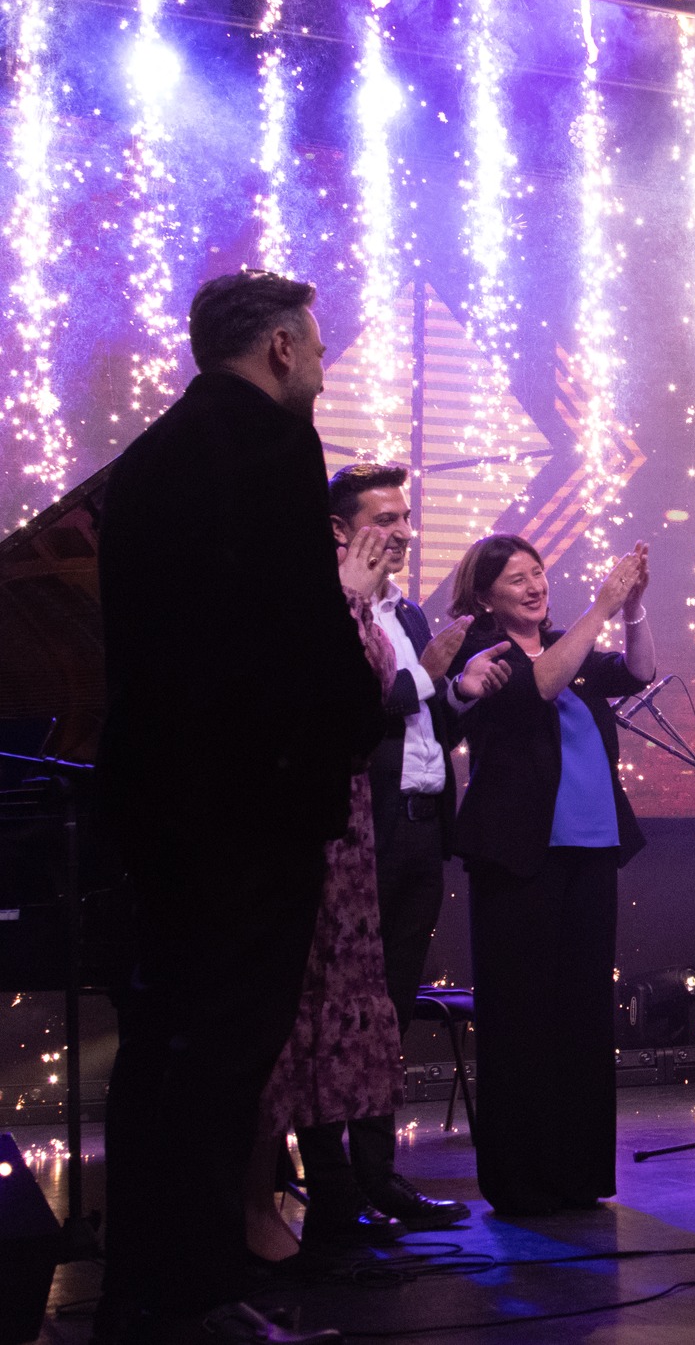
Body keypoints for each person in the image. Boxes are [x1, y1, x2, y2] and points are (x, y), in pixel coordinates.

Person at [96, 270, 379, 1345]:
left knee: (161, 1042)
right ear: (278, 349)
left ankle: (141, 1290)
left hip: (159, 801)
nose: (323, 369)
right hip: (252, 803)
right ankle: (202, 1293)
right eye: (317, 349)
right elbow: (297, 628)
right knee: (226, 1054)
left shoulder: (146, 457)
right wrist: (358, 713)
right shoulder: (270, 444)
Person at [280, 465, 511, 1241]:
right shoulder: (321, 606)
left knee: (389, 1009)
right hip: (356, 831)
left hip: (417, 826)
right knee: (334, 1010)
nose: (404, 531)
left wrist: (459, 690)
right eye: (385, 518)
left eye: (406, 517)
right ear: (340, 529)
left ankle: (379, 1176)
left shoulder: (406, 612)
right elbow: (345, 711)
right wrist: (428, 680)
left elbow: (425, 725)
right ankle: (333, 1185)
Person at [446, 534, 654, 1214]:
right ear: (485, 596)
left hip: (591, 846)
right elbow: (539, 687)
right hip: (519, 852)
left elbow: (639, 671)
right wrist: (602, 606)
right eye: (516, 578)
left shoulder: (570, 644)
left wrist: (633, 608)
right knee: (521, 1015)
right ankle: (521, 1180)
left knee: (582, 1013)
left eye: (537, 572)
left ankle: (577, 1172)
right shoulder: (485, 653)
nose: (535, 585)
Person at [242, 524, 408, 1261]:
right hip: (285, 819)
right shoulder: (292, 601)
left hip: (345, 824)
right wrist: (346, 601)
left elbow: (364, 704)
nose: (389, 538)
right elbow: (302, 696)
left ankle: (332, 1202)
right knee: (273, 1016)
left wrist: (353, 605)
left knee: (326, 1014)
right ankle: (251, 1209)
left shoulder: (359, 609)